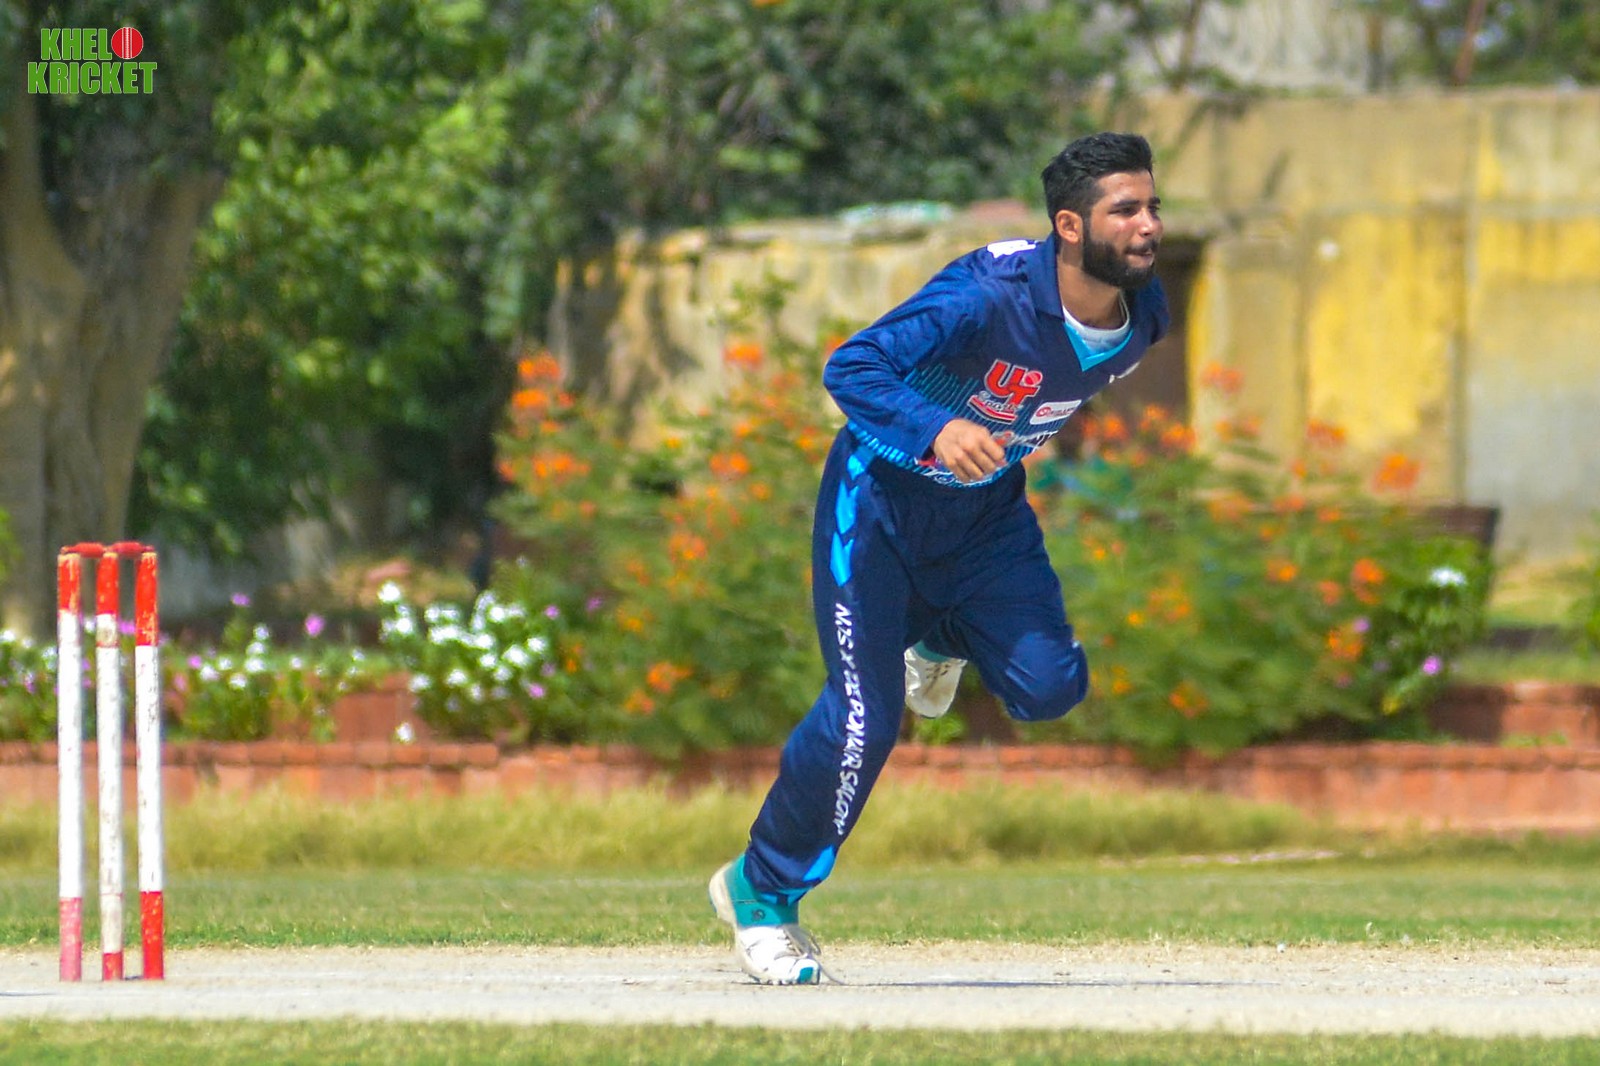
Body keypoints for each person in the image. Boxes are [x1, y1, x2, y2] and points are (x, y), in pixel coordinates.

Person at [709, 132, 1169, 984]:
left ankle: (939, 639)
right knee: (865, 719)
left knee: (1049, 686)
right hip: (878, 508)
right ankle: (762, 893)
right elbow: (853, 367)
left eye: (1152, 206)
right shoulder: (984, 294)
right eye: (1126, 210)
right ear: (1069, 226)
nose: (1149, 225)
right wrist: (938, 428)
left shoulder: (1145, 314)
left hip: (986, 521)